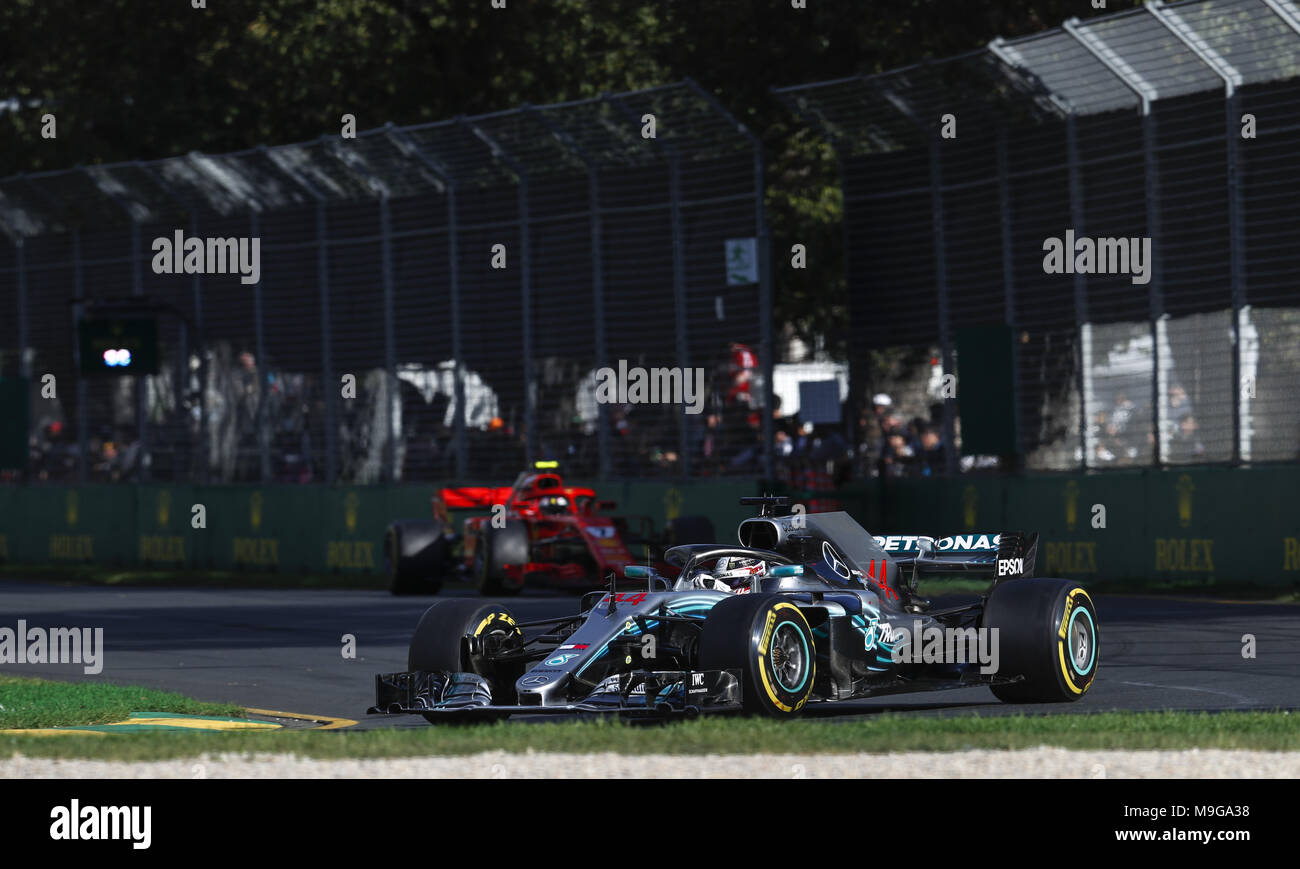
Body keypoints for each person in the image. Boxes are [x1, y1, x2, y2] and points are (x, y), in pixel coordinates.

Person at [690, 556, 764, 593]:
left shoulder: (768, 592)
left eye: (731, 581)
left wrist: (718, 586)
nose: (724, 584)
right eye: (723, 581)